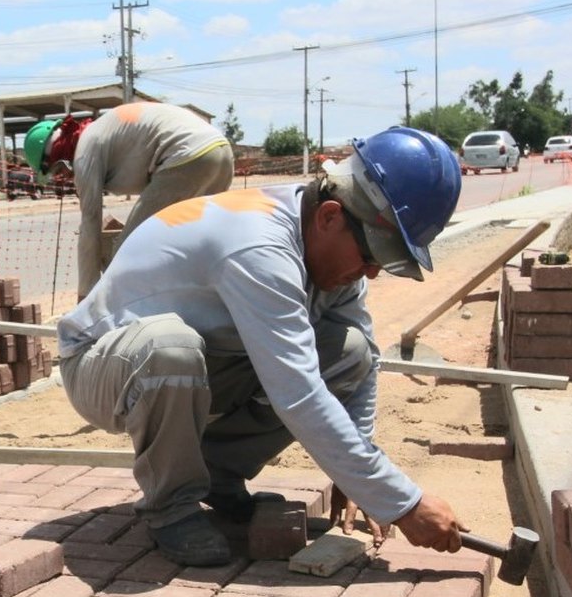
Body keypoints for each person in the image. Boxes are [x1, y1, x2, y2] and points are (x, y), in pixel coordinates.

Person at [56, 126, 469, 566]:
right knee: (170, 348)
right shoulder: (260, 246)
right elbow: (299, 392)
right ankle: (170, 505)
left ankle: (218, 471)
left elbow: (363, 365)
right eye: (373, 256)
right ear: (329, 216)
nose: (370, 273)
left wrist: (359, 478)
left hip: (202, 360)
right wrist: (402, 501)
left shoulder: (333, 245)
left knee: (347, 352)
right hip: (100, 363)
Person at [23, 102, 235, 301]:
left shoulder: (84, 151)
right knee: (191, 245)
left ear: (58, 157)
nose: (65, 178)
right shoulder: (100, 132)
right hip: (221, 153)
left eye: (58, 171)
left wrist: (85, 297)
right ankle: (207, 307)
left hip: (186, 157)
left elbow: (90, 223)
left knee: (128, 251)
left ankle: (137, 320)